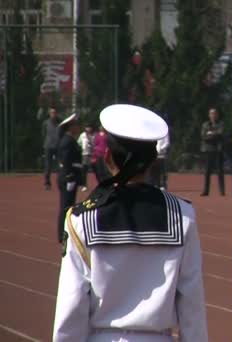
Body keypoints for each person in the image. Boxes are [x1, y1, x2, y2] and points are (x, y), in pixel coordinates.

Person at [53, 104, 208, 342]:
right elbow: (192, 306)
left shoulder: (81, 219)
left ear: (107, 158)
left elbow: (72, 306)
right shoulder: (182, 216)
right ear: (153, 159)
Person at [56, 113, 83, 243]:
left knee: (68, 206)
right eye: (75, 125)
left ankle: (65, 233)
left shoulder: (70, 139)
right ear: (70, 127)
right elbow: (66, 161)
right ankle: (62, 234)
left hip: (70, 177)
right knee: (66, 207)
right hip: (68, 177)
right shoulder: (67, 141)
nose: (78, 127)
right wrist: (70, 177)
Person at [200, 108, 225, 196]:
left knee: (220, 171)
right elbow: (203, 136)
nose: (213, 116)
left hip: (218, 150)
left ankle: (222, 191)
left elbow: (220, 134)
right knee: (207, 172)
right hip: (208, 150)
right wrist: (214, 135)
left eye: (215, 114)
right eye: (211, 114)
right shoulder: (205, 125)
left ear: (217, 115)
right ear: (209, 115)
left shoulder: (221, 124)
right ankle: (206, 191)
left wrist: (210, 134)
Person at [43, 107, 60, 190]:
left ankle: (60, 182)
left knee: (60, 165)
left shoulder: (60, 123)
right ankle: (47, 183)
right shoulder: (46, 123)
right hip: (48, 146)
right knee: (48, 165)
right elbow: (43, 134)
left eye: (55, 112)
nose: (53, 114)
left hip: (58, 146)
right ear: (49, 114)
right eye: (52, 113)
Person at [77, 123, 95, 191]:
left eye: (89, 127)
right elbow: (78, 143)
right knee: (84, 170)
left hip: (93, 155)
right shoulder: (82, 135)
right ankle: (84, 185)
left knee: (97, 170)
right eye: (87, 127)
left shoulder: (94, 135)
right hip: (85, 154)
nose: (88, 129)